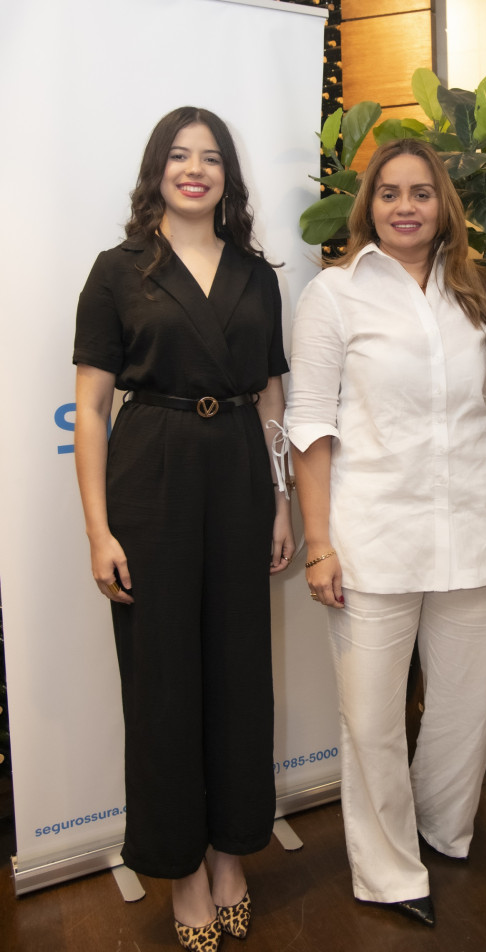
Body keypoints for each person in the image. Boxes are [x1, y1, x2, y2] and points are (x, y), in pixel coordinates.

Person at [73, 106, 294, 952]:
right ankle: (182, 867)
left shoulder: (256, 273)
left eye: (210, 158)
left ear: (227, 177)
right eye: (178, 155)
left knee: (239, 674)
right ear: (156, 170)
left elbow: (271, 399)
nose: (193, 169)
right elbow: (93, 408)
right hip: (152, 476)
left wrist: (279, 502)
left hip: (239, 471)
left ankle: (233, 851)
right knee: (163, 681)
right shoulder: (117, 270)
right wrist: (99, 529)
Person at [286, 139, 486, 927]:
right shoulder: (334, 294)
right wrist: (318, 542)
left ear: (443, 202)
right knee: (373, 719)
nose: (406, 207)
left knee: (469, 707)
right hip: (370, 537)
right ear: (369, 206)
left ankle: (438, 829)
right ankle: (388, 871)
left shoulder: (481, 290)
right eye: (389, 193)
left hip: (474, 531)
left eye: (421, 192)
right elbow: (310, 425)